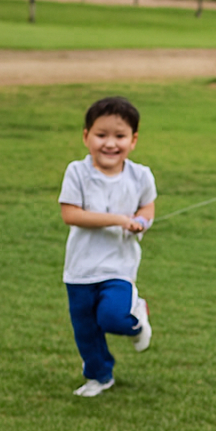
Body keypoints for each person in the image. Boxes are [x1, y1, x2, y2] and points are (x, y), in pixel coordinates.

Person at [58, 96, 154, 397]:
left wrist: (141, 221)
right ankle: (100, 376)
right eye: (101, 135)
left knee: (112, 317)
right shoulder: (77, 172)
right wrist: (118, 220)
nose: (110, 144)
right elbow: (70, 214)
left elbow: (147, 208)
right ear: (86, 136)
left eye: (120, 136)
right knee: (86, 331)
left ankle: (137, 319)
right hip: (80, 269)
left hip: (118, 267)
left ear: (133, 140)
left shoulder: (141, 176)